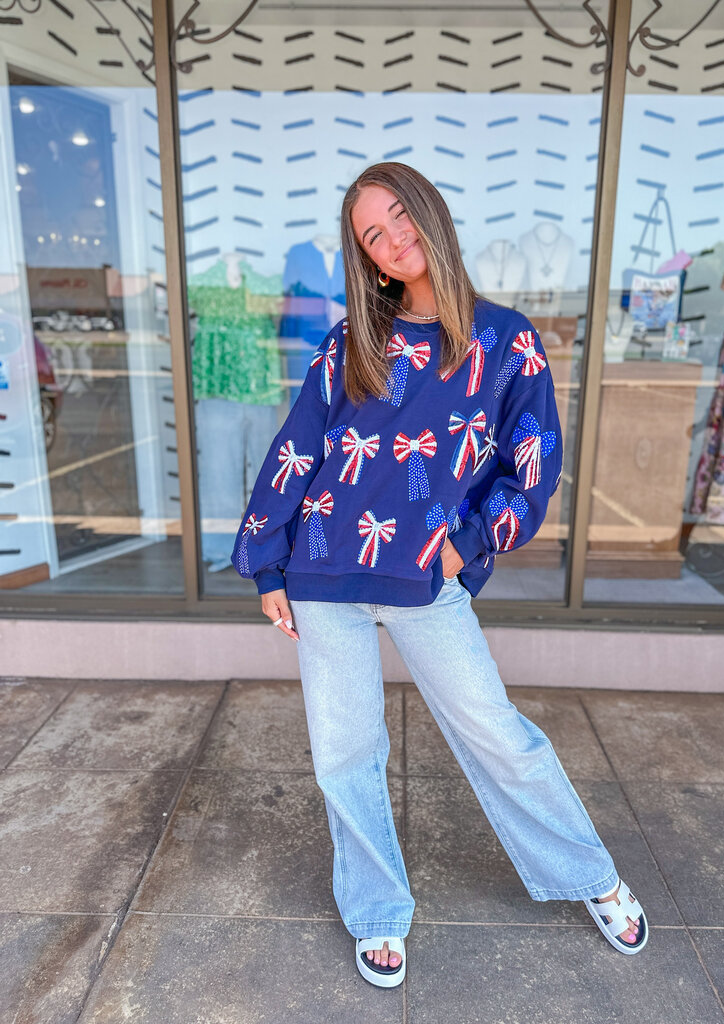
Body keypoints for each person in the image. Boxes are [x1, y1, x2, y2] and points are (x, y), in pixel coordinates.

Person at [232, 162, 648, 988]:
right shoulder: (355, 339)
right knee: (343, 754)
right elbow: (299, 447)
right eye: (371, 236)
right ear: (370, 259)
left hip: (425, 581)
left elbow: (533, 465)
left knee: (499, 735)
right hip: (324, 573)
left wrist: (461, 545)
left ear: (429, 214)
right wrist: (266, 561)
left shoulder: (504, 339)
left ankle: (591, 875)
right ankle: (378, 911)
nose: (392, 240)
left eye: (397, 217)